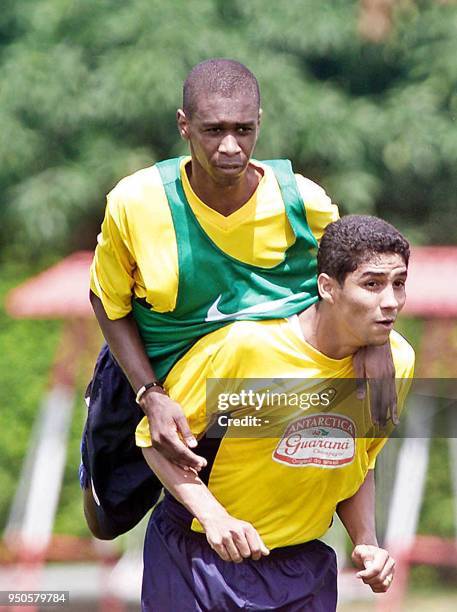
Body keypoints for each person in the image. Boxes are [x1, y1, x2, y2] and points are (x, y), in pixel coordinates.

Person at [81, 58, 397, 539]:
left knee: (231, 511)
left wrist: (373, 346)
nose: (230, 146)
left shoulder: (302, 202)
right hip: (150, 373)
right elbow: (106, 299)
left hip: (245, 380)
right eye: (213, 130)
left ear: (259, 124)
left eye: (244, 130)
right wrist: (149, 394)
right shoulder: (137, 202)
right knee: (106, 521)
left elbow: (356, 277)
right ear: (184, 126)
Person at [136, 215, 415, 611]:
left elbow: (359, 464)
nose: (390, 301)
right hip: (199, 559)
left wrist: (367, 541)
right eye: (372, 284)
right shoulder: (246, 348)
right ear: (327, 288)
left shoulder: (397, 362)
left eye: (399, 284)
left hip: (303, 570)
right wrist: (214, 517)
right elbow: (153, 439)